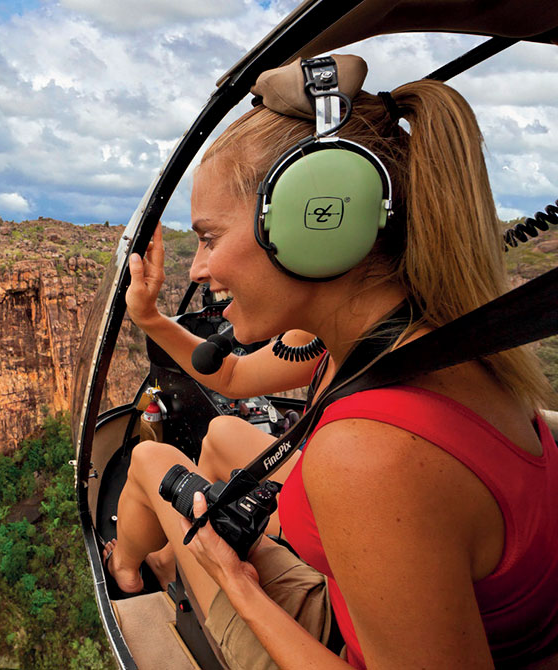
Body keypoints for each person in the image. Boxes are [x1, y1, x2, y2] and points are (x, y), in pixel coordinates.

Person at [105, 55, 558, 669]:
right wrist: (152, 319)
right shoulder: (418, 339)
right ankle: (159, 559)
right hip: (431, 614)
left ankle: (127, 572)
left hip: (347, 647)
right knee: (222, 431)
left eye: (209, 238)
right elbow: (234, 376)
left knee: (152, 460)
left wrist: (234, 581)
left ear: (314, 222)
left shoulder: (368, 453)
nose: (198, 269)